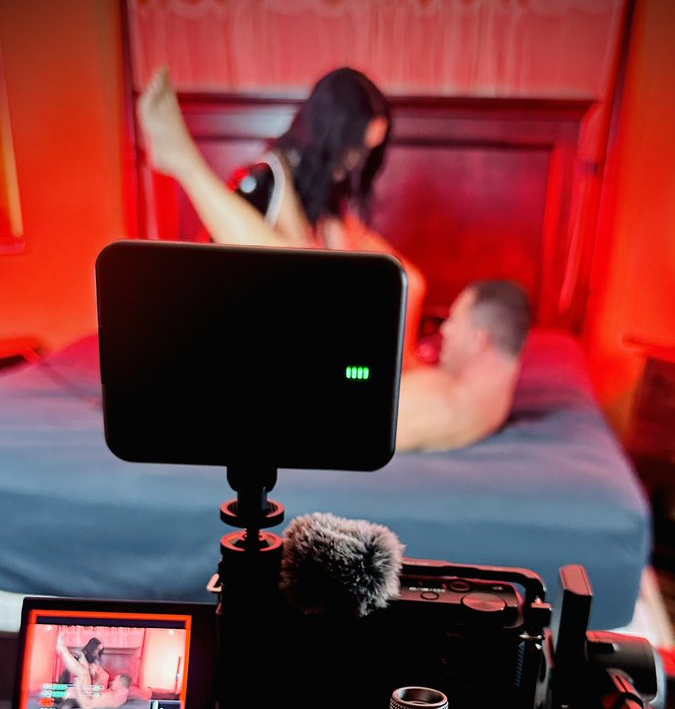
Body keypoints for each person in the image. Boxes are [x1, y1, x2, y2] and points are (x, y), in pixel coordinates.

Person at [137, 65, 427, 368]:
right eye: (352, 148)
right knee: (298, 269)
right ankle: (184, 160)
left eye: (366, 153)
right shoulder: (267, 181)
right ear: (328, 133)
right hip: (236, 330)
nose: (356, 161)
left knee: (405, 281)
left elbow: (367, 263)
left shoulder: (326, 200)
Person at [395, 279, 532, 452]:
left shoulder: (437, 403)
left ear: (477, 340)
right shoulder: (494, 404)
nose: (444, 329)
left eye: (453, 320)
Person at [56, 634, 110, 699]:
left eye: (99, 651)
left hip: (91, 693)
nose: (97, 653)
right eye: (97, 649)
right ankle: (63, 648)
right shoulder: (86, 659)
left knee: (85, 673)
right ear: (92, 647)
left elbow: (98, 686)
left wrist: (95, 673)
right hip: (83, 687)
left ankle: (63, 648)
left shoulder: (100, 670)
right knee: (84, 672)